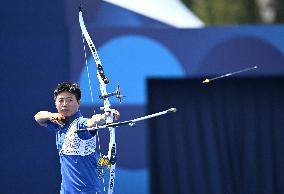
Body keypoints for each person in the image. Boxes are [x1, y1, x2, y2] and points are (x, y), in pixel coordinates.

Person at [34, 82, 120, 194]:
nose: (65, 104)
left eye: (70, 100)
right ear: (55, 103)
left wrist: (105, 116)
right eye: (61, 100)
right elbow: (38, 117)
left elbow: (92, 121)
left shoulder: (81, 124)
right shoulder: (59, 123)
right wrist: (51, 115)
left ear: (78, 103)